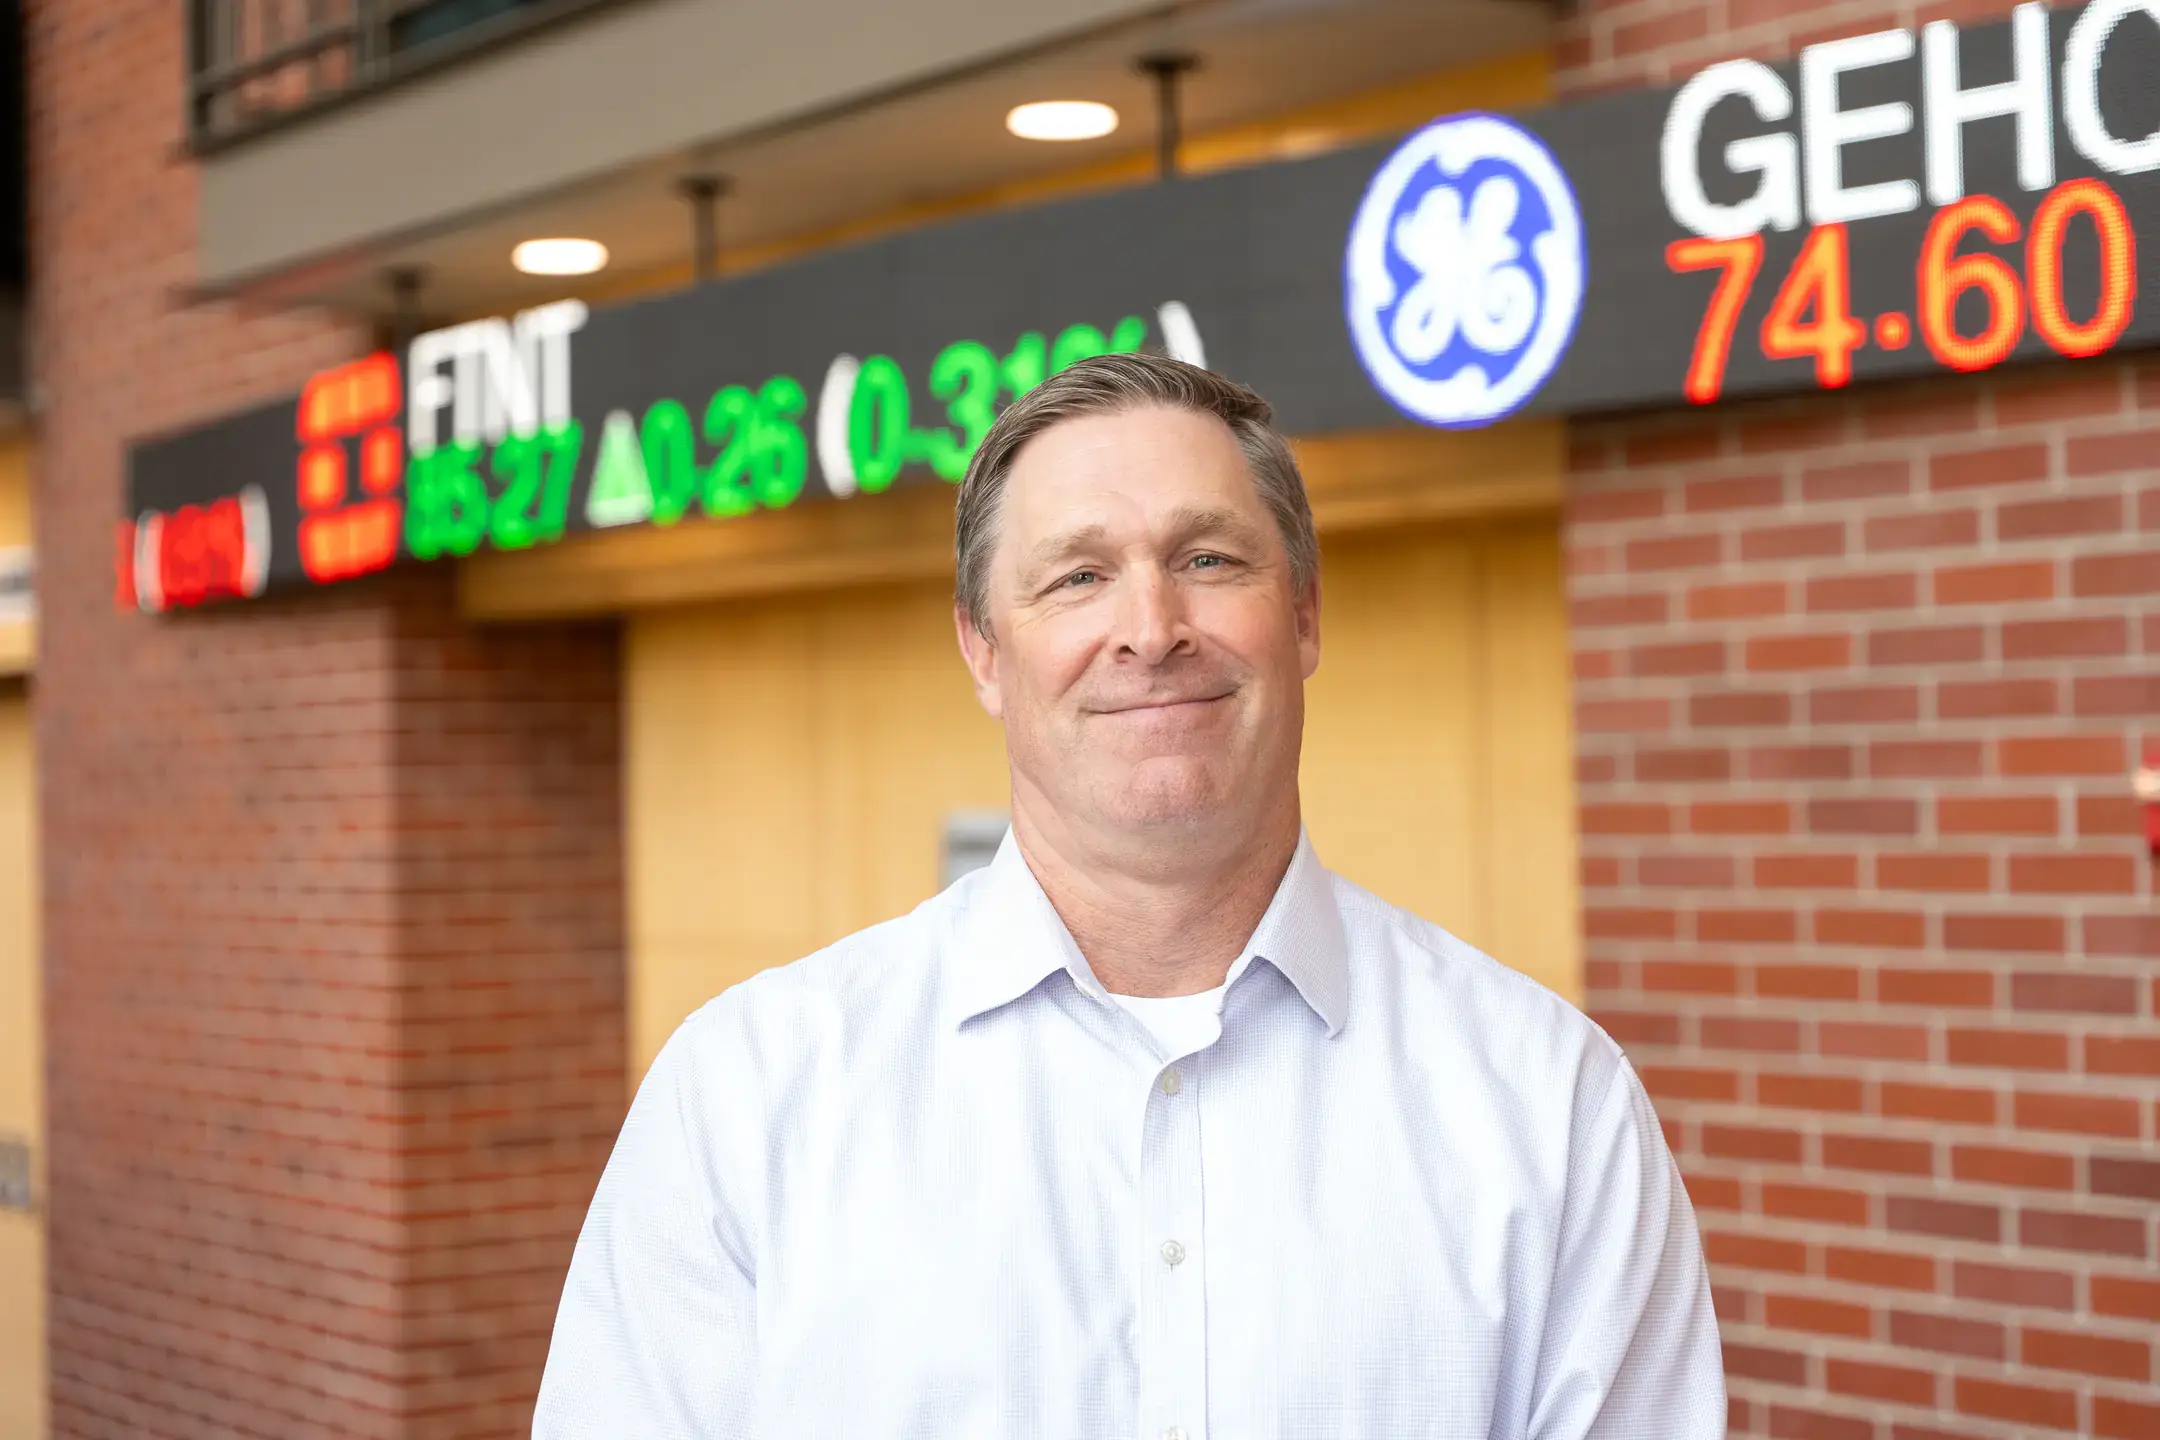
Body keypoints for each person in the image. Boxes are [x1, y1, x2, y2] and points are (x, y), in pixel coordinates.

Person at [533, 353, 1725, 1438]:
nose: (1150, 630)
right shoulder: (748, 1101)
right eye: (1077, 576)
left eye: (1207, 559)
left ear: (1303, 614)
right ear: (983, 652)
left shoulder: (1549, 1105)